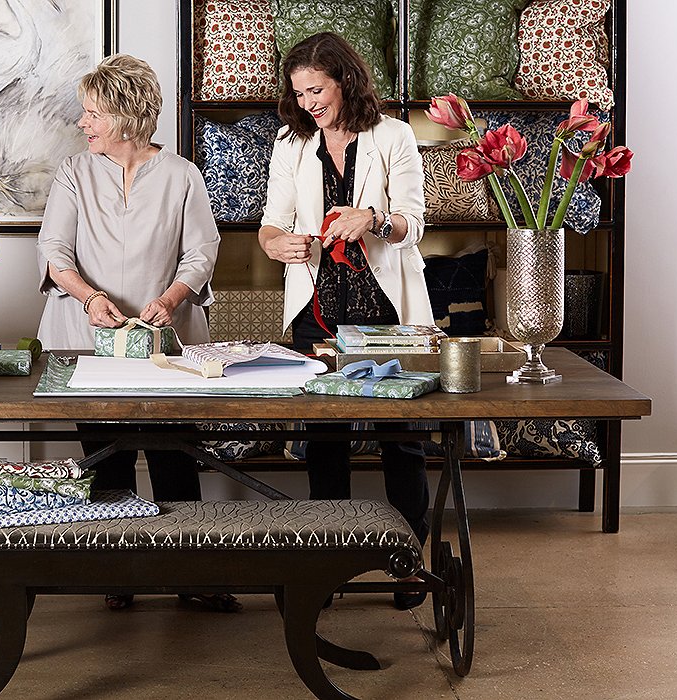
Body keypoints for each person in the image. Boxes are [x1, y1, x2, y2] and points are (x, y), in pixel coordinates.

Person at [36, 54, 236, 612]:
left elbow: (202, 251)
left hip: (166, 343)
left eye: (92, 113)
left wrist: (172, 299)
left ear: (124, 117)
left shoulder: (181, 175)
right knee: (106, 456)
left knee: (176, 454)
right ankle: (115, 569)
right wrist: (91, 297)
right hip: (85, 337)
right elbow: (54, 251)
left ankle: (191, 570)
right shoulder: (74, 173)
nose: (83, 123)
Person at [257, 33, 433, 610]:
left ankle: (408, 563)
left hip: (388, 312)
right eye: (299, 93)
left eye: (317, 90)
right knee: (323, 437)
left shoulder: (394, 135)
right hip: (316, 311)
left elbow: (413, 224)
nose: (308, 103)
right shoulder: (291, 142)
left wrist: (373, 219)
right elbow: (269, 224)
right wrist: (278, 244)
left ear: (345, 80)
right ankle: (327, 562)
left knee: (401, 441)